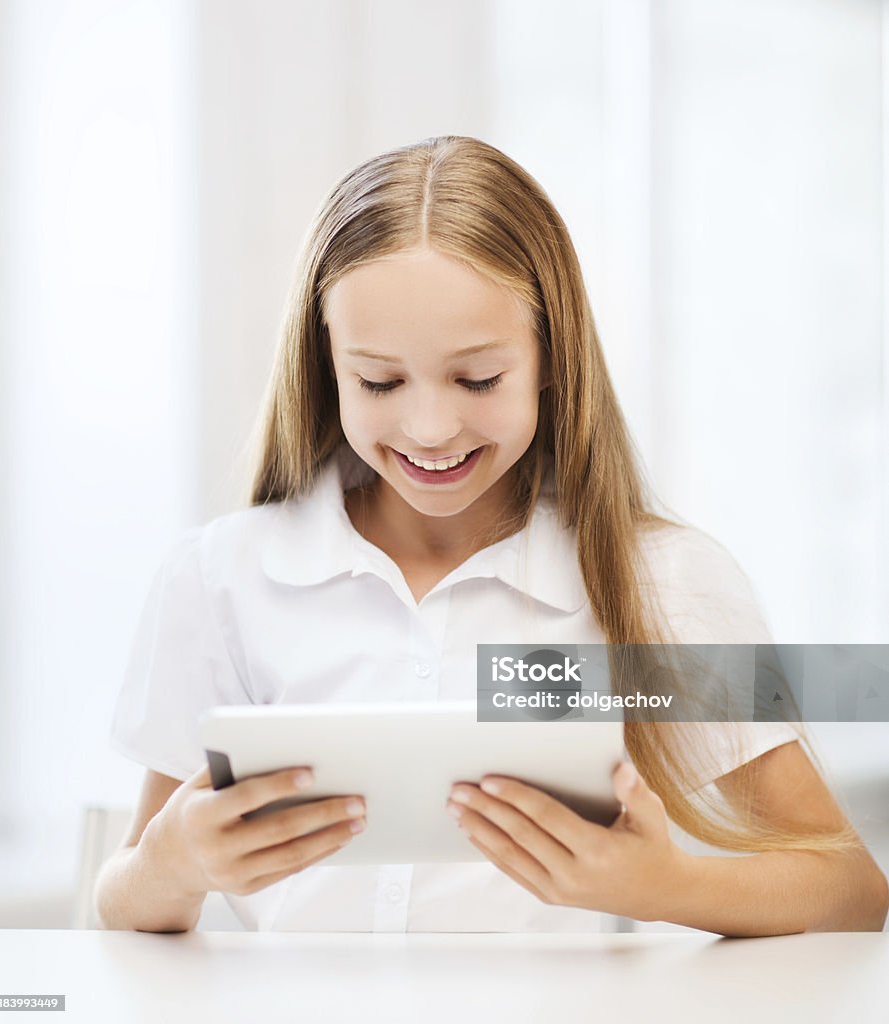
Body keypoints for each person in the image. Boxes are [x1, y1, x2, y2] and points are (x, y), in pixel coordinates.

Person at [95, 136, 888, 936]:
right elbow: (126, 906)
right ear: (325, 366)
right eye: (379, 381)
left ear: (551, 357)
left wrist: (660, 885)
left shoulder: (667, 584)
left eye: (478, 379)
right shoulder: (219, 576)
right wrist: (172, 865)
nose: (432, 427)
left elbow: (849, 889)